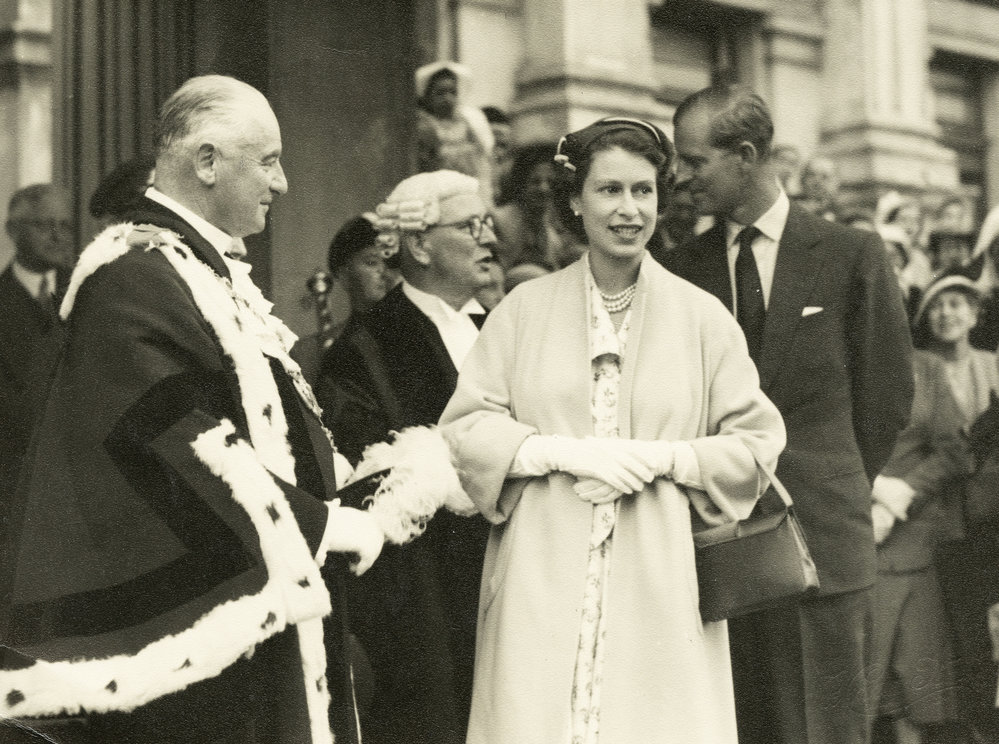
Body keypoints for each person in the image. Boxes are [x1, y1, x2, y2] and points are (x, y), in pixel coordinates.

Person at [0, 75, 384, 744]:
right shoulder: (132, 273)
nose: (284, 182)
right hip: (202, 649)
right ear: (206, 162)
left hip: (262, 614)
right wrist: (317, 525)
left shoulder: (195, 270)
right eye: (266, 160)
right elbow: (173, 437)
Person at [439, 116, 786, 744]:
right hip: (538, 574)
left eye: (643, 190)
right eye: (609, 190)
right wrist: (549, 451)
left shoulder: (703, 317)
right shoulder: (522, 310)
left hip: (660, 577)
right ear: (575, 199)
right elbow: (464, 429)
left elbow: (756, 444)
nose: (629, 210)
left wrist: (666, 459)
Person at [665, 85, 914, 744]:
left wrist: (826, 485)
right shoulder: (680, 271)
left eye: (694, 161)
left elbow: (885, 400)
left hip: (823, 549)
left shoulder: (849, 255)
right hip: (718, 550)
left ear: (744, 155)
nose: (679, 178)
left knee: (826, 731)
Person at [316, 170, 497, 744]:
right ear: (418, 245)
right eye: (471, 226)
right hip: (430, 596)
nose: (489, 239)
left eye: (488, 224)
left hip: (513, 570)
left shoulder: (501, 327)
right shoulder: (364, 345)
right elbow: (370, 475)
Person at [913, 273, 999, 742]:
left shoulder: (992, 364)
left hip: (993, 513)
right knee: (964, 631)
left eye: (956, 304)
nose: (947, 314)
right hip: (944, 515)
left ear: (974, 313)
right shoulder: (921, 368)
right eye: (937, 306)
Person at [867, 347, 968, 744]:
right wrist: (871, 492)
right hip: (852, 534)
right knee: (859, 687)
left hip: (911, 540)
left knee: (915, 687)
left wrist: (903, 494)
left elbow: (955, 451)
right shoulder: (831, 358)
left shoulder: (925, 368)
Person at [0, 184, 74, 564]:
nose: (58, 235)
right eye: (44, 225)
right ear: (13, 232)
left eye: (65, 224)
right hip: (16, 483)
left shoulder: (91, 292)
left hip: (83, 477)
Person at [292, 215, 397, 384]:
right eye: (372, 262)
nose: (384, 272)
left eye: (391, 262)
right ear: (344, 275)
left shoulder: (419, 340)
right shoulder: (310, 353)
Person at [414, 62, 494, 206]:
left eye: (452, 92)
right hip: (440, 195)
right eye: (440, 93)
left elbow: (483, 161)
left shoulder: (470, 122)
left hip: (471, 191)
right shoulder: (424, 126)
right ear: (427, 96)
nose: (447, 98)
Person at [492, 142, 581, 271]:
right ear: (521, 185)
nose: (544, 189)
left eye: (550, 182)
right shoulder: (500, 220)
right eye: (535, 182)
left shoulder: (550, 223)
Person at [793, 154, 842, 221]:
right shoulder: (788, 205)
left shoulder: (844, 213)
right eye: (811, 175)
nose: (817, 182)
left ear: (836, 182)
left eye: (825, 177)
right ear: (802, 178)